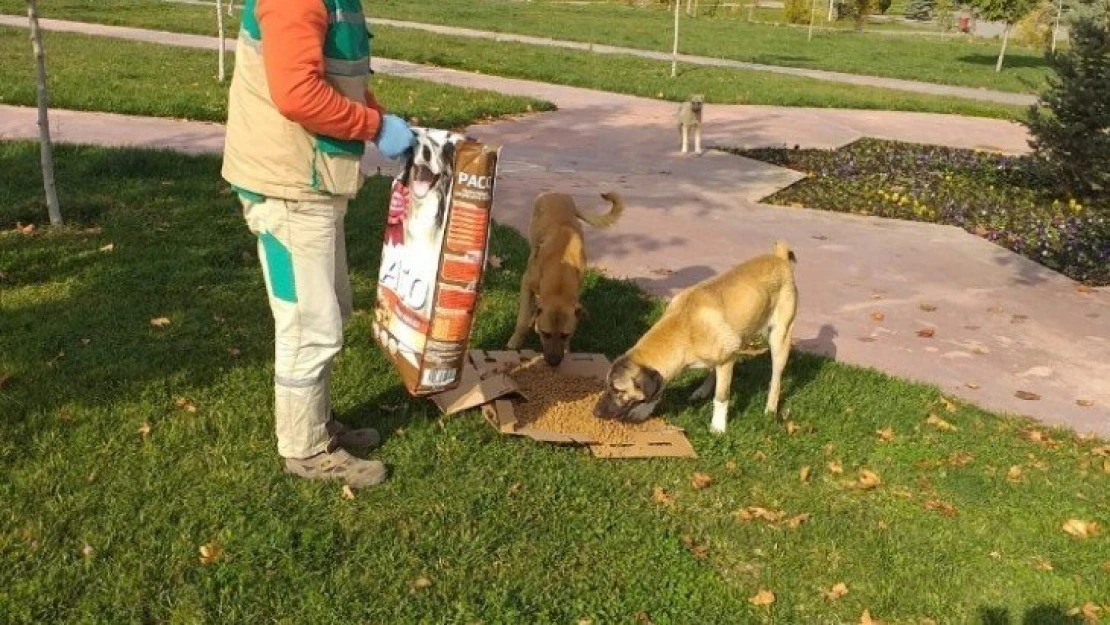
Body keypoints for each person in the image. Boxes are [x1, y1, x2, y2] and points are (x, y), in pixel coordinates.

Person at [221, 0, 414, 488]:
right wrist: (374, 127)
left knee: (330, 310)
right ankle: (305, 450)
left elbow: (335, 78)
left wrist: (379, 115)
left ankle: (318, 424)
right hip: (287, 185)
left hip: (312, 180)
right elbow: (298, 95)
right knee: (308, 324)